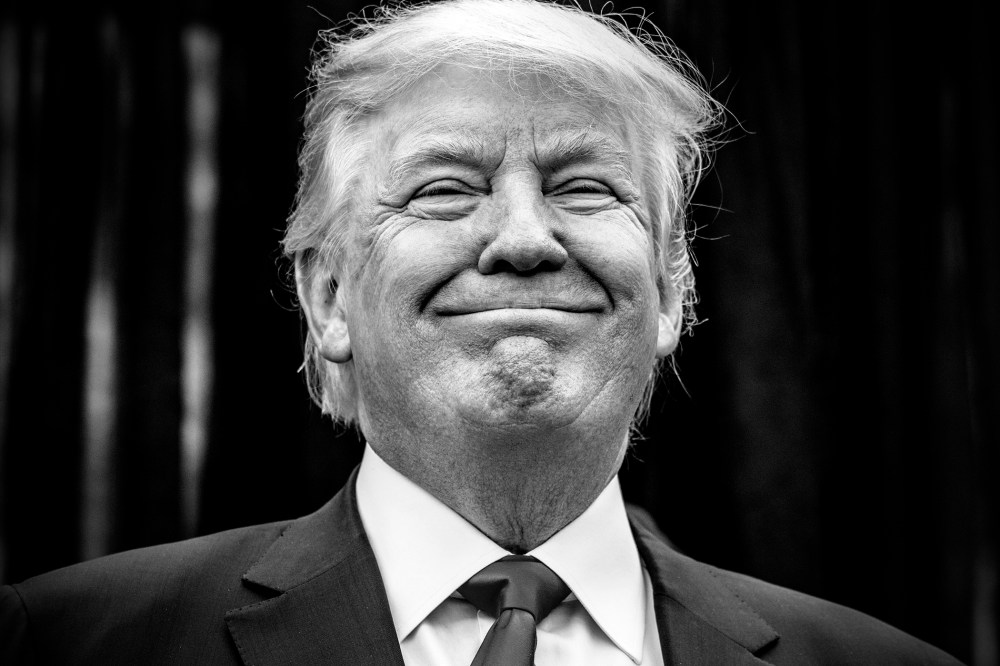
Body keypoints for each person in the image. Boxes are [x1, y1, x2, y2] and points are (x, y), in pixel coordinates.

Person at [0, 1, 964, 664]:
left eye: (584, 187)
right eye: (445, 189)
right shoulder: (57, 643)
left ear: (671, 293)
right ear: (329, 298)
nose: (522, 238)